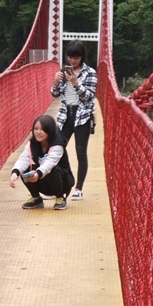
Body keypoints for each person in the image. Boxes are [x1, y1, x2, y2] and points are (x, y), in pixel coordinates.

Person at [50, 40, 97, 201]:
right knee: (56, 150)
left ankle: (78, 188)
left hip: (82, 116)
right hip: (65, 115)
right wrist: (56, 82)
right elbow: (55, 95)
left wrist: (76, 83)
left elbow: (89, 97)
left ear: (82, 57)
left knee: (80, 152)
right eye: (70, 57)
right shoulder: (63, 72)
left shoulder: (90, 73)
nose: (72, 61)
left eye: (76, 58)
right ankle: (55, 187)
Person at [9, 115, 74, 210]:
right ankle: (36, 198)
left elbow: (50, 163)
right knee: (26, 170)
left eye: (42, 129)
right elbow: (24, 158)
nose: (38, 132)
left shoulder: (58, 144)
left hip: (61, 182)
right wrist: (15, 172)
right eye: (36, 128)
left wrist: (38, 174)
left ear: (49, 130)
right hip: (42, 181)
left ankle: (60, 198)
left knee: (52, 169)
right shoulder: (32, 143)